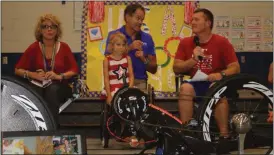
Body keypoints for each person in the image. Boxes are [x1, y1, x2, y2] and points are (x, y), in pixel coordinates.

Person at [173, 8, 240, 138]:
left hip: (216, 82)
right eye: (192, 19)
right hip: (196, 83)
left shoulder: (221, 42)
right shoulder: (186, 43)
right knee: (185, 88)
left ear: (208, 23)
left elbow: (235, 67)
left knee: (216, 90)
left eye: (196, 19)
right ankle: (187, 133)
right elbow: (176, 68)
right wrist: (193, 60)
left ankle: (224, 135)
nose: (192, 22)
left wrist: (220, 75)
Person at [14, 14, 79, 126]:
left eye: (53, 26)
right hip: (39, 85)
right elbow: (17, 70)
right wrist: (32, 75)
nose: (49, 29)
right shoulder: (34, 47)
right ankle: (34, 127)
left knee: (52, 90)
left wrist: (59, 76)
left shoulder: (64, 47)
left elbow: (74, 70)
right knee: (34, 91)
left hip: (60, 87)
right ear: (40, 30)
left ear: (57, 30)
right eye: (45, 26)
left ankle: (51, 128)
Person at [105, 3, 157, 92]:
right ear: (127, 17)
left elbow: (153, 69)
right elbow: (108, 59)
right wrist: (129, 48)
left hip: (140, 83)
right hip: (116, 81)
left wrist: (144, 59)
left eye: (142, 19)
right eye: (138, 18)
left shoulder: (147, 38)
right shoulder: (114, 35)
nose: (140, 22)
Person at [103, 31, 134, 105]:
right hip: (113, 89)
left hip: (126, 87)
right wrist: (109, 95)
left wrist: (130, 88)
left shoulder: (127, 58)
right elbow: (106, 79)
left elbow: (131, 75)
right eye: (118, 45)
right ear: (112, 46)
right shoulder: (107, 60)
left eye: (123, 45)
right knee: (116, 103)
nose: (121, 47)